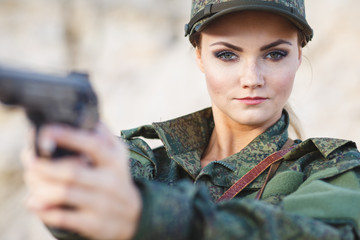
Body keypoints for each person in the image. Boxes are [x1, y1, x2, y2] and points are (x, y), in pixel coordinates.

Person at [23, 0, 360, 239]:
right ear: (200, 56)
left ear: (299, 56)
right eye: (227, 54)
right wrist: (67, 173)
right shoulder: (151, 161)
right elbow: (76, 223)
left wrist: (146, 215)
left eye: (275, 54)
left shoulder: (331, 170)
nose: (251, 78)